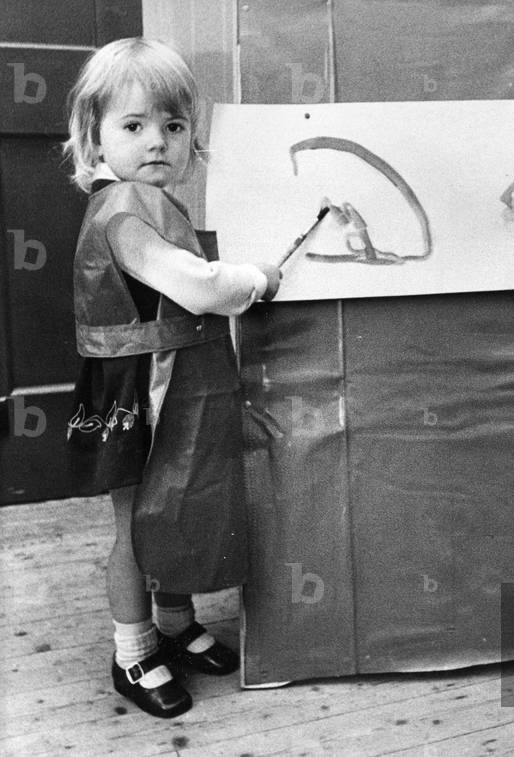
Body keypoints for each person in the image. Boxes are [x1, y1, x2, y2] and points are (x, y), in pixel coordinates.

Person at [63, 37, 281, 718]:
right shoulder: (123, 206)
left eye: (173, 125)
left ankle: (175, 618)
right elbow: (195, 285)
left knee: (178, 503)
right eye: (134, 126)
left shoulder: (152, 201)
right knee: (136, 521)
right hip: (138, 387)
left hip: (179, 377)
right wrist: (256, 279)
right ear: (93, 141)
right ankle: (133, 650)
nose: (157, 141)